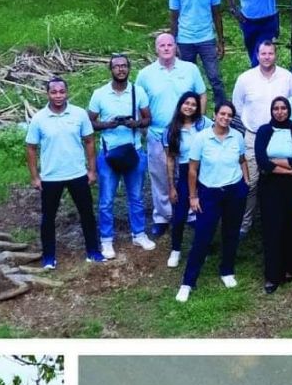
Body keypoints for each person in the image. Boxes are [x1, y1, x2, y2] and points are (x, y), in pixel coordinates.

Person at [176, 102, 249, 303]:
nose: (225, 118)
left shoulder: (237, 137)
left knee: (231, 233)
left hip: (234, 190)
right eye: (222, 114)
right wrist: (193, 196)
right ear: (215, 115)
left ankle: (227, 271)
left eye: (229, 115)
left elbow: (242, 160)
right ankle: (188, 282)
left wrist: (246, 182)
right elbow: (192, 169)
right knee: (202, 236)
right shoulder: (201, 139)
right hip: (209, 192)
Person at [25, 77, 102, 269]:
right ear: (48, 94)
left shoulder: (79, 114)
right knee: (48, 218)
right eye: (54, 92)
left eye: (61, 91)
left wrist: (92, 170)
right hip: (51, 176)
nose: (58, 96)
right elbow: (31, 148)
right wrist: (35, 176)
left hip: (77, 173)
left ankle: (93, 251)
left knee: (87, 214)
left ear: (67, 92)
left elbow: (90, 141)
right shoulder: (39, 119)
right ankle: (49, 257)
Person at [135, 33, 206, 237]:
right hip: (158, 132)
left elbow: (201, 93)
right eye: (162, 45)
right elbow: (139, 103)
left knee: (188, 173)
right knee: (160, 175)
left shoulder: (190, 69)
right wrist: (144, 128)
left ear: (176, 47)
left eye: (170, 44)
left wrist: (198, 119)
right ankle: (163, 216)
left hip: (187, 132)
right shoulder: (145, 74)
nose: (166, 48)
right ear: (156, 49)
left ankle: (192, 213)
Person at [88, 54, 155, 260]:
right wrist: (109, 124)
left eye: (124, 66)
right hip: (109, 153)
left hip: (133, 151)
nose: (120, 70)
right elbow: (89, 122)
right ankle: (106, 239)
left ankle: (139, 234)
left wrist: (135, 123)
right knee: (106, 199)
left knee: (136, 197)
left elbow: (147, 118)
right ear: (110, 69)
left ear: (129, 69)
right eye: (116, 66)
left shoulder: (138, 91)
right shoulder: (100, 94)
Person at [232, 40, 292, 237]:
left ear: (275, 55)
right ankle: (245, 223)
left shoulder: (287, 78)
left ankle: (278, 220)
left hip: (280, 135)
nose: (267, 57)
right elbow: (238, 106)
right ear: (257, 55)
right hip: (253, 135)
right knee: (251, 181)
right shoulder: (245, 79)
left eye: (270, 53)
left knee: (281, 177)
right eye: (263, 53)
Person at [255, 95, 292, 293]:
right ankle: (272, 275)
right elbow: (262, 160)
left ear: (288, 110)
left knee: (291, 226)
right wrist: (287, 169)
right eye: (276, 108)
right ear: (271, 111)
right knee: (272, 228)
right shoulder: (264, 130)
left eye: (283, 108)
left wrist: (275, 161)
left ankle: (289, 268)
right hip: (270, 186)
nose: (280, 112)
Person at [169, 0, 227, 107]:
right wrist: (172, 43)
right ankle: (188, 111)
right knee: (187, 80)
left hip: (206, 39)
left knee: (215, 77)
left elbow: (217, 14)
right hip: (185, 40)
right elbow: (174, 18)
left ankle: (222, 109)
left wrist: (221, 40)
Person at [164, 91, 210, 270]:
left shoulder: (204, 124)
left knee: (203, 213)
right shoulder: (171, 130)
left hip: (205, 172)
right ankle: (175, 249)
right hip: (184, 172)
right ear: (181, 105)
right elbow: (170, 159)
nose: (190, 107)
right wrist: (171, 186)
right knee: (180, 214)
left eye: (194, 104)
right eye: (187, 103)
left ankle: (201, 249)